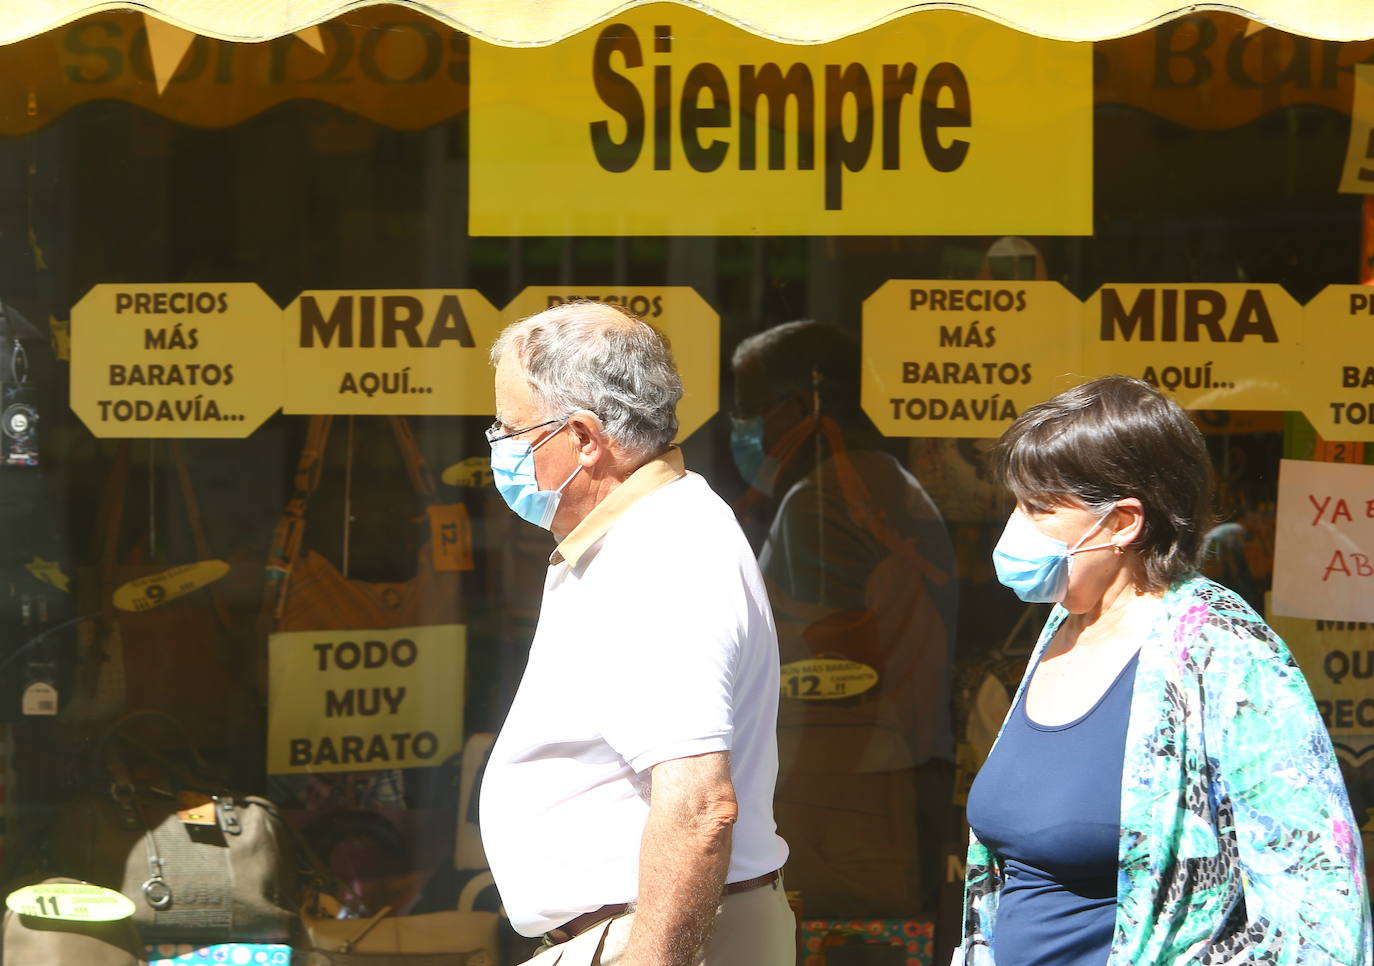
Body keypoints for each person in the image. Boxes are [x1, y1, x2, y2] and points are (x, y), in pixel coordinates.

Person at [959, 374, 1372, 966]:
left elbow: (1321, 910)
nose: (1015, 528)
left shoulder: (1225, 654)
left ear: (1124, 522)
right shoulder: (1064, 624)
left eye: (1039, 508)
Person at [478, 301, 793, 966]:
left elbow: (701, 805)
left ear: (585, 439)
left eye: (511, 430)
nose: (499, 449)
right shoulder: (643, 534)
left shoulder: (659, 555)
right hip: (628, 933)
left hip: (650, 939)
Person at [730, 320, 958, 915]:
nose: (743, 426)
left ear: (805, 404)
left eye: (750, 406)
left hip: (836, 797)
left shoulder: (823, 504)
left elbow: (823, 673)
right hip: (885, 779)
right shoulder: (883, 481)